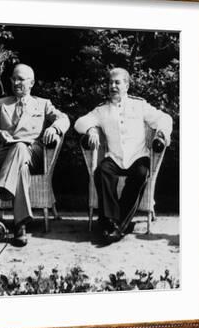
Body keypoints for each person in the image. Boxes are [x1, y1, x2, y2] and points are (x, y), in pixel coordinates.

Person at [0, 63, 70, 247]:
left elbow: (64, 118)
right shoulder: (1, 104)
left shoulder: (42, 104)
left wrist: (54, 127)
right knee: (21, 166)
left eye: (21, 79)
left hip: (34, 153)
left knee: (21, 148)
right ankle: (20, 226)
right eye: (13, 79)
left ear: (32, 82)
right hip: (6, 154)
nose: (16, 82)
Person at [74, 67, 173, 243]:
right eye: (110, 82)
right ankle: (114, 223)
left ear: (126, 85)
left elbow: (164, 118)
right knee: (102, 172)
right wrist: (91, 130)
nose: (113, 86)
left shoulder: (139, 105)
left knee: (141, 173)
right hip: (115, 158)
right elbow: (80, 122)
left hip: (137, 156)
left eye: (117, 82)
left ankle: (115, 224)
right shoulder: (102, 110)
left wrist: (161, 134)